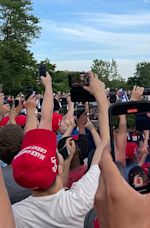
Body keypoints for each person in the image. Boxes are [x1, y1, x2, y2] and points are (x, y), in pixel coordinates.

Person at [11, 72, 109, 227]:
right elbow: (105, 144)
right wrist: (101, 97)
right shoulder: (79, 201)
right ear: (59, 166)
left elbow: (44, 122)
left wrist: (47, 89)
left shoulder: (14, 215)